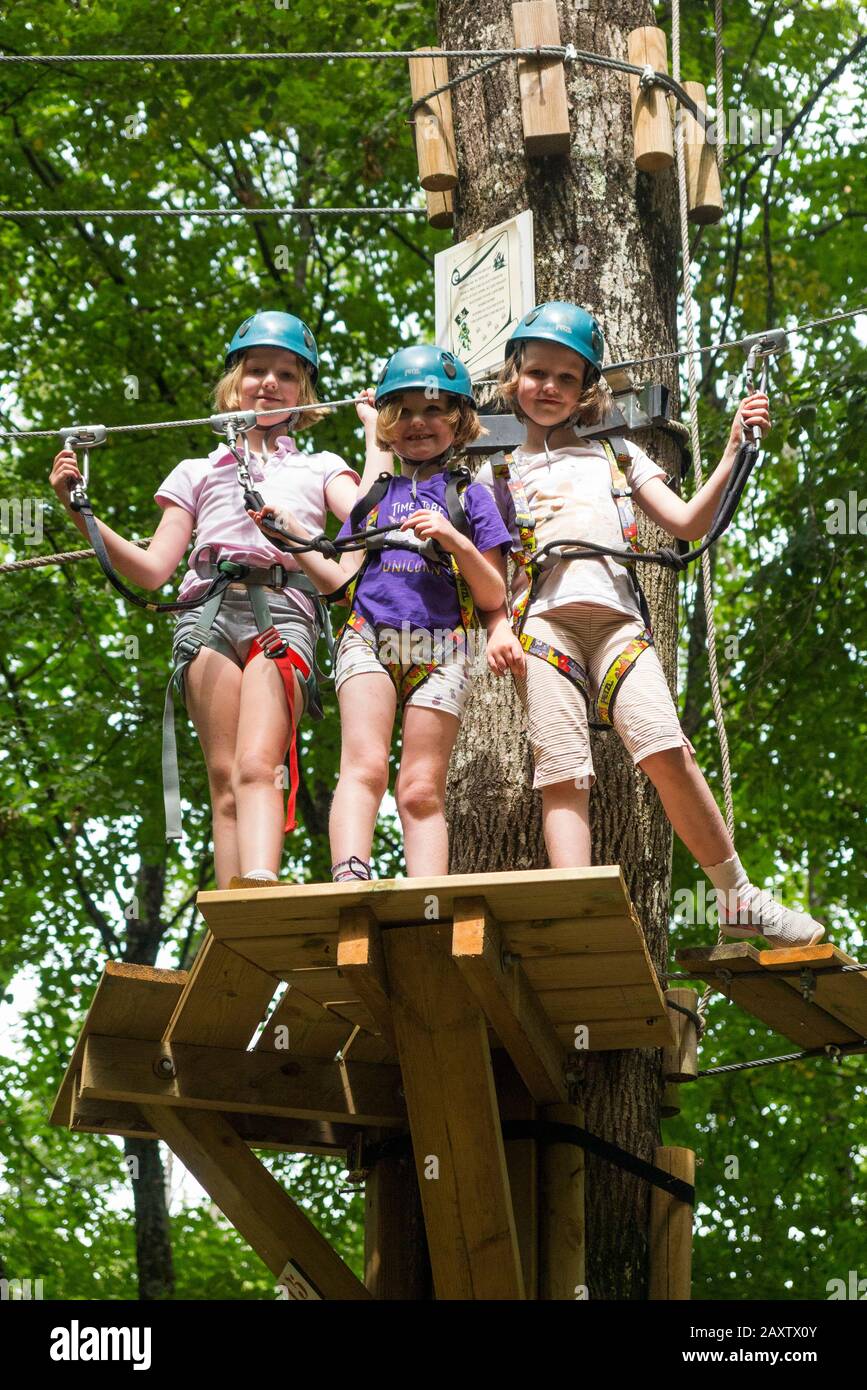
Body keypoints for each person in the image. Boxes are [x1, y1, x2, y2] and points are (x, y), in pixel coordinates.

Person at [476, 300, 824, 947]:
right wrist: (495, 626)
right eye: (536, 374)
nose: (549, 388)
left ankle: (735, 895)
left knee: (666, 749)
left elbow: (687, 523)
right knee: (561, 771)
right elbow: (488, 571)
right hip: (540, 627)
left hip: (616, 623)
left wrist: (728, 453)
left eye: (565, 377)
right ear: (512, 377)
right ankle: (580, 914)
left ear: (585, 389)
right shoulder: (495, 472)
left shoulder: (615, 454)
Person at [49, 310, 390, 888]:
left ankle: (259, 882)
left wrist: (373, 429)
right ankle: (233, 909)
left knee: (260, 763)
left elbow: (366, 514)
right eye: (256, 370)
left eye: (286, 374)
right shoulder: (197, 471)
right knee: (224, 772)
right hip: (206, 614)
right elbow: (155, 569)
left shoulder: (319, 467)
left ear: (304, 395)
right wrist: (82, 514)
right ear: (233, 383)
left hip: (281, 610)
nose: (269, 383)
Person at [249, 345, 514, 879]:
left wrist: (454, 541)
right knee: (364, 767)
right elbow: (342, 582)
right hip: (368, 636)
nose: (419, 422)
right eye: (405, 412)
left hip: (443, 648)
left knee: (419, 787)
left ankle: (426, 895)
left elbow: (494, 595)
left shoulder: (471, 496)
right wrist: (295, 539)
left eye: (434, 409)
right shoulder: (372, 498)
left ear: (459, 421)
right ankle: (350, 873)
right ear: (388, 424)